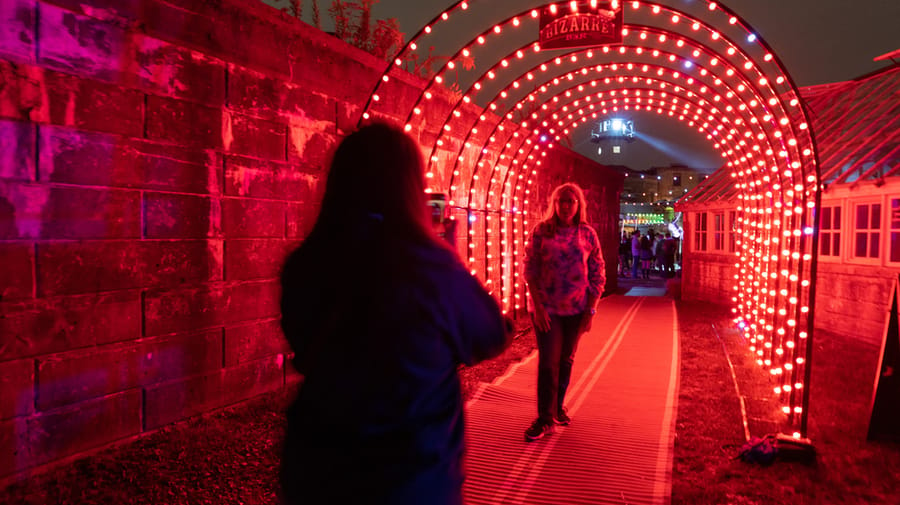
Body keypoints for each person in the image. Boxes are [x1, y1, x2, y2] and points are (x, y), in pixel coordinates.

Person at [279, 123, 511, 505]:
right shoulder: (431, 269)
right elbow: (489, 334)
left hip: (318, 465)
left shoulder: (308, 263)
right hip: (411, 471)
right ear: (409, 188)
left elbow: (303, 344)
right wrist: (447, 255)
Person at [523, 182, 606, 441]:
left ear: (579, 205)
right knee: (548, 362)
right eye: (562, 201)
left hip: (577, 309)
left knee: (566, 359)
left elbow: (597, 272)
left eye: (571, 201)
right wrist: (537, 306)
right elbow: (531, 269)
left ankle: (557, 407)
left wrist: (591, 309)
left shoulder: (587, 234)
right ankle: (545, 419)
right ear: (554, 204)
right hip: (548, 309)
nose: (566, 206)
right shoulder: (542, 231)